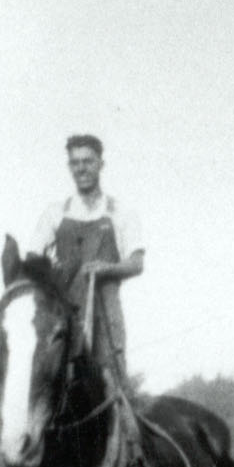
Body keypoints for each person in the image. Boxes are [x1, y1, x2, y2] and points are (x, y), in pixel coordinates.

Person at [31, 133, 145, 377]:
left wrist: (107, 268)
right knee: (42, 381)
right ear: (69, 167)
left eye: (88, 161)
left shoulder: (121, 212)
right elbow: (32, 258)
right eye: (75, 162)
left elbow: (137, 263)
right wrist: (48, 270)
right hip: (62, 319)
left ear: (101, 164)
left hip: (105, 318)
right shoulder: (55, 213)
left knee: (111, 385)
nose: (81, 168)